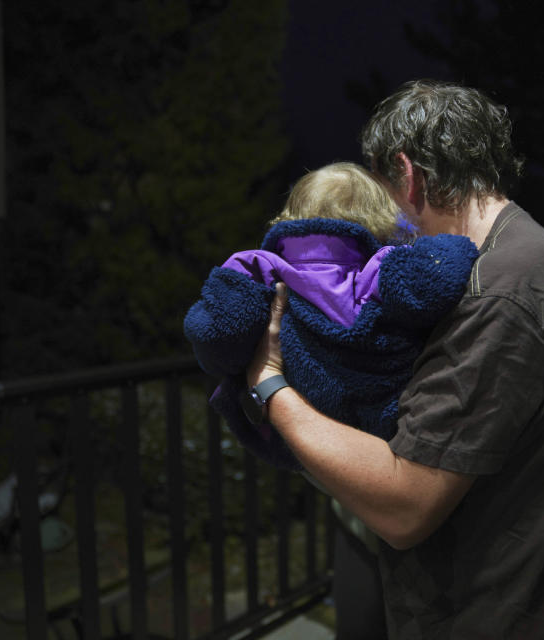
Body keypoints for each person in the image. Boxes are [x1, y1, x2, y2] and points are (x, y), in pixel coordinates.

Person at [246, 80, 544, 638]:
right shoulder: (539, 254)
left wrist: (269, 382)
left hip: (495, 615)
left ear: (407, 174)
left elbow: (405, 506)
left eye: (380, 192)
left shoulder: (498, 291)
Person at [184, 161, 480, 639]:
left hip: (308, 441)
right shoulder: (381, 272)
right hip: (389, 440)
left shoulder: (260, 270)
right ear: (375, 219)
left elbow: (213, 334)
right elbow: (443, 271)